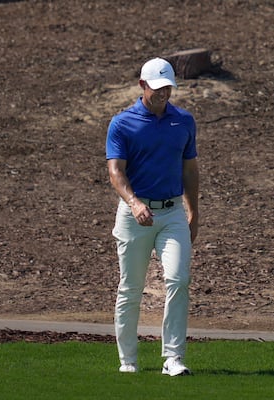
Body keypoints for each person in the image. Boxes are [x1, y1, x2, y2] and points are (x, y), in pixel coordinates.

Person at [106, 57, 199, 376]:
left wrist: (193, 211)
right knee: (131, 288)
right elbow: (116, 172)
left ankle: (173, 358)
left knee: (178, 279)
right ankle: (127, 360)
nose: (164, 94)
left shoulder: (184, 121)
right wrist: (133, 203)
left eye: (168, 88)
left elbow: (190, 169)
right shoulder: (122, 123)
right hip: (135, 214)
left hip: (172, 211)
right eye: (157, 88)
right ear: (142, 86)